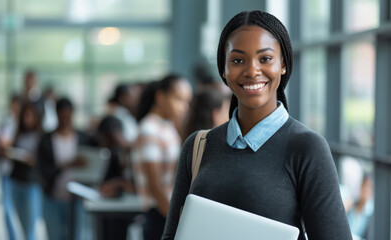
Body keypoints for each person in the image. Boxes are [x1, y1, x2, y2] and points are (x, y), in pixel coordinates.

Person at [162, 10, 352, 239]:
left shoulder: (307, 148)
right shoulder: (198, 147)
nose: (252, 71)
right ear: (224, 69)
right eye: (238, 60)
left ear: (283, 64)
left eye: (265, 58)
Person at [132, 74, 192, 240]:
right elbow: (155, 187)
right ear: (160, 96)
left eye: (187, 101)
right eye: (179, 99)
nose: (184, 107)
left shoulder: (167, 126)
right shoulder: (149, 129)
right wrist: (178, 222)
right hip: (160, 214)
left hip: (166, 211)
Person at [37, 97, 89, 240]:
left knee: (76, 235)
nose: (65, 118)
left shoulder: (83, 137)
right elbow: (43, 170)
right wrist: (68, 164)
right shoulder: (47, 140)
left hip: (76, 199)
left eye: (68, 114)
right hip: (53, 197)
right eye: (62, 114)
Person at [7, 102, 43, 240]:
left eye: (30, 115)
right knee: (21, 224)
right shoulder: (18, 134)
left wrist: (33, 160)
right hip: (17, 181)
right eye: (25, 115)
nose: (27, 118)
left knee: (30, 228)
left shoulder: (41, 136)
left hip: (32, 183)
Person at [0, 94, 21, 240]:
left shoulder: (23, 125)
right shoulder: (6, 122)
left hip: (19, 174)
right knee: (7, 209)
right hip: (6, 171)